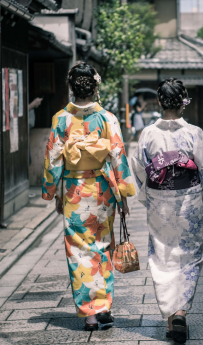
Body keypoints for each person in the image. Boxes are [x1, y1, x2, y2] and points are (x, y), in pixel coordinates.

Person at [42, 62, 136, 331]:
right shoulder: (107, 118)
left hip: (74, 189)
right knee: (102, 245)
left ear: (71, 87)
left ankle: (90, 315)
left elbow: (53, 160)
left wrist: (52, 191)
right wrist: (125, 193)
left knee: (79, 251)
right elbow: (118, 155)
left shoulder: (61, 119)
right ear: (95, 86)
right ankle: (104, 305)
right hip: (103, 189)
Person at [131, 78, 203, 344]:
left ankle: (171, 318)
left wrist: (147, 192)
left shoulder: (148, 134)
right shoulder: (194, 133)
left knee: (162, 255)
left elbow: (138, 167)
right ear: (183, 102)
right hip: (188, 198)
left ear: (159, 102)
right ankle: (180, 312)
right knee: (188, 256)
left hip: (159, 199)